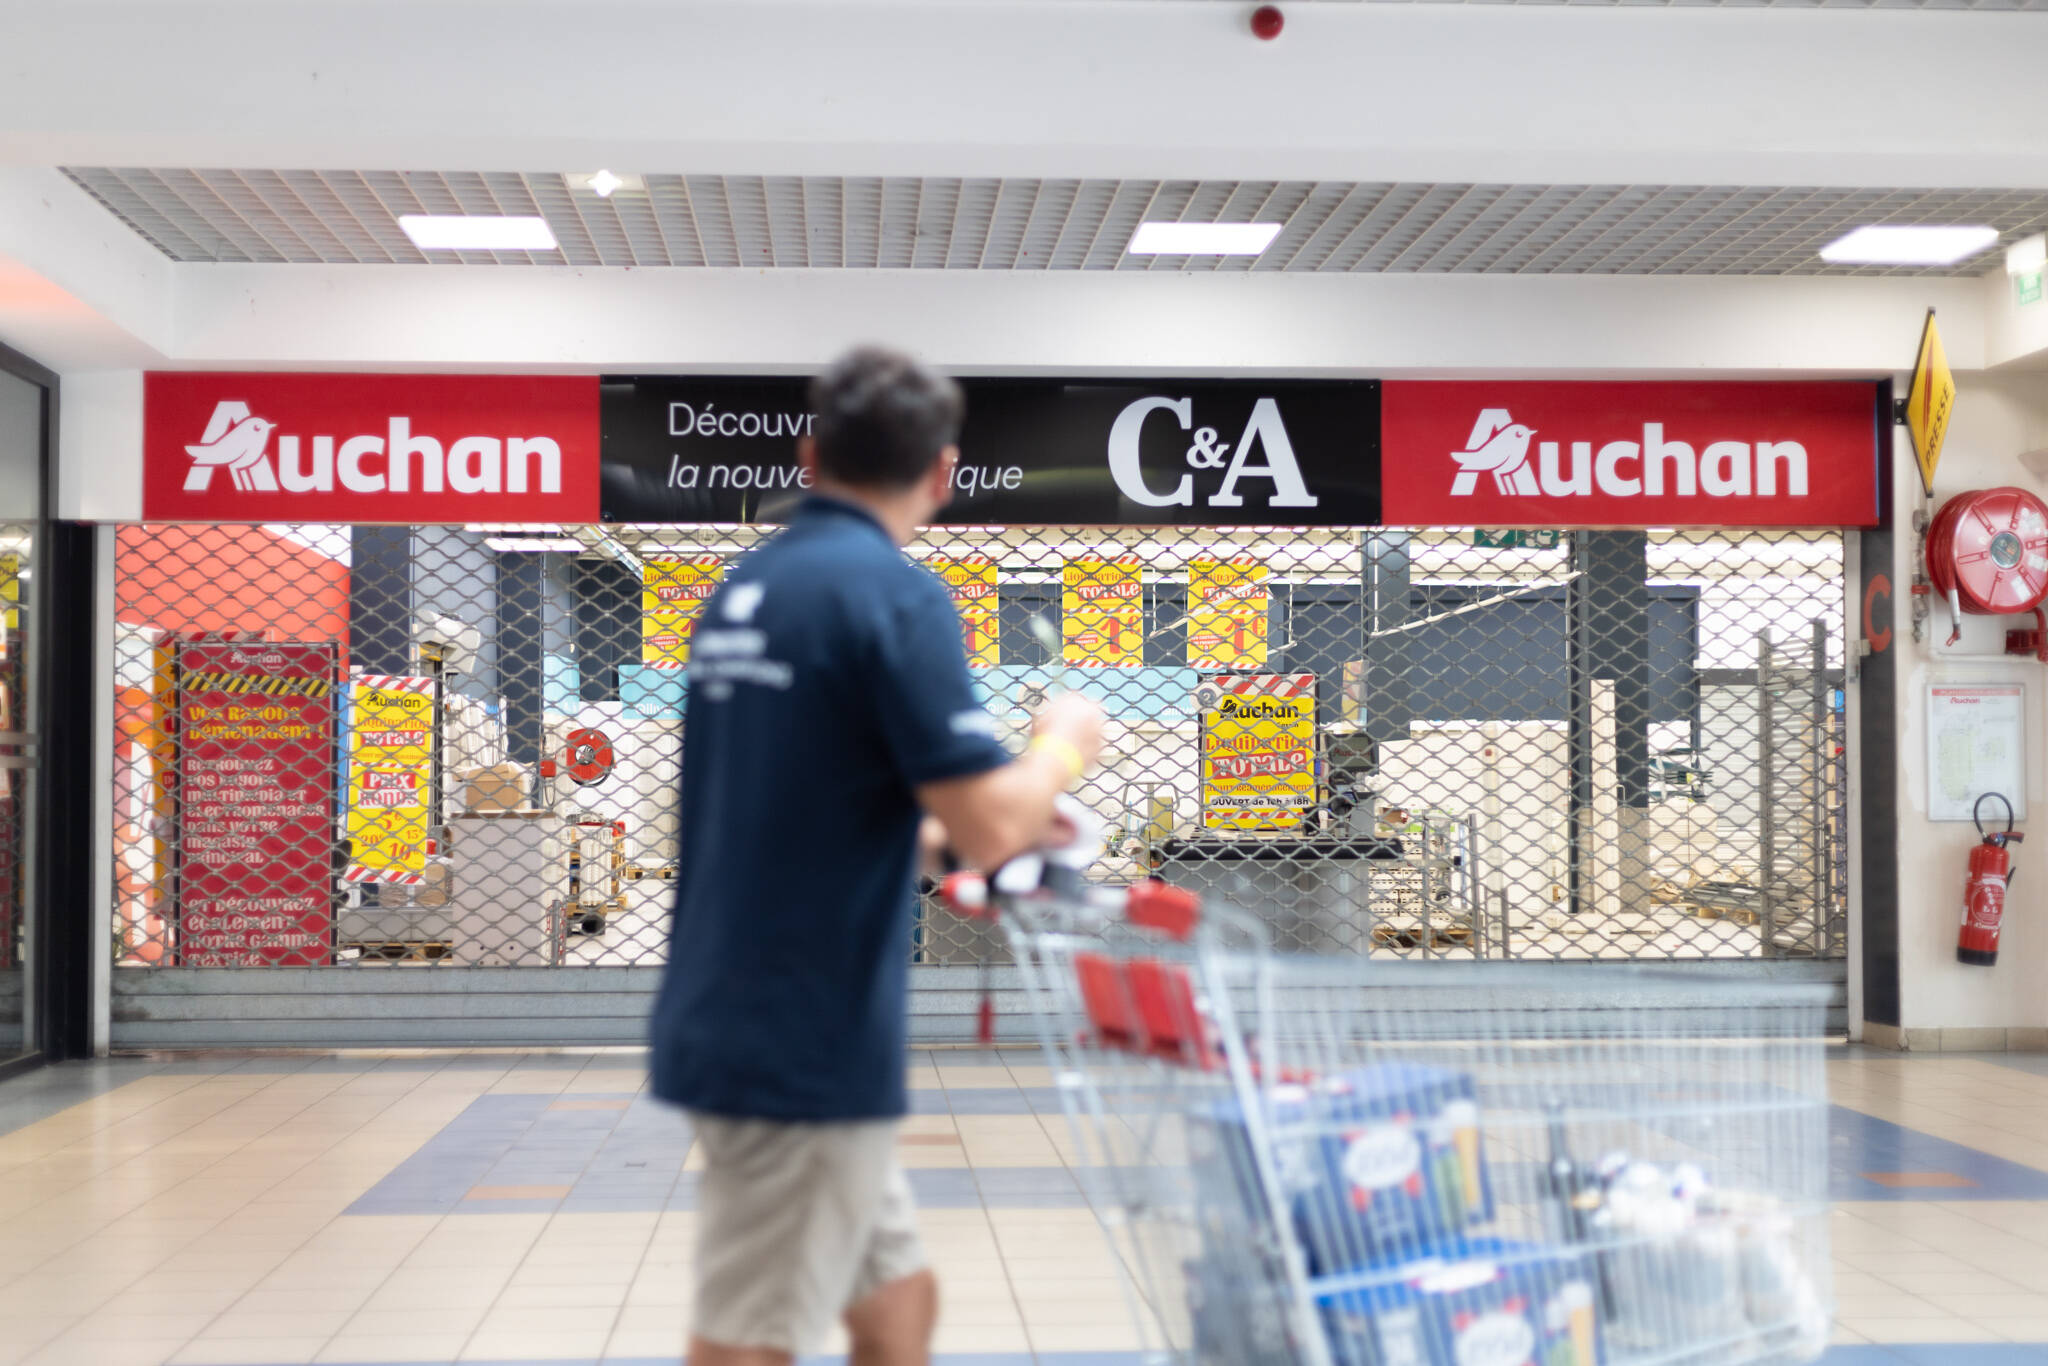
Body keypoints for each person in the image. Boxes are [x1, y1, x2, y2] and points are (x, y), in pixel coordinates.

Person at [649, 345, 1108, 1366]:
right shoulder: (891, 596)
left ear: (809, 455)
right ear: (942, 473)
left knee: (897, 1298)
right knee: (747, 1337)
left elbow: (822, 803)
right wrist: (1061, 746)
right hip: (800, 1034)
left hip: (739, 1002)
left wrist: (942, 829)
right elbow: (992, 821)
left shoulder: (742, 590)